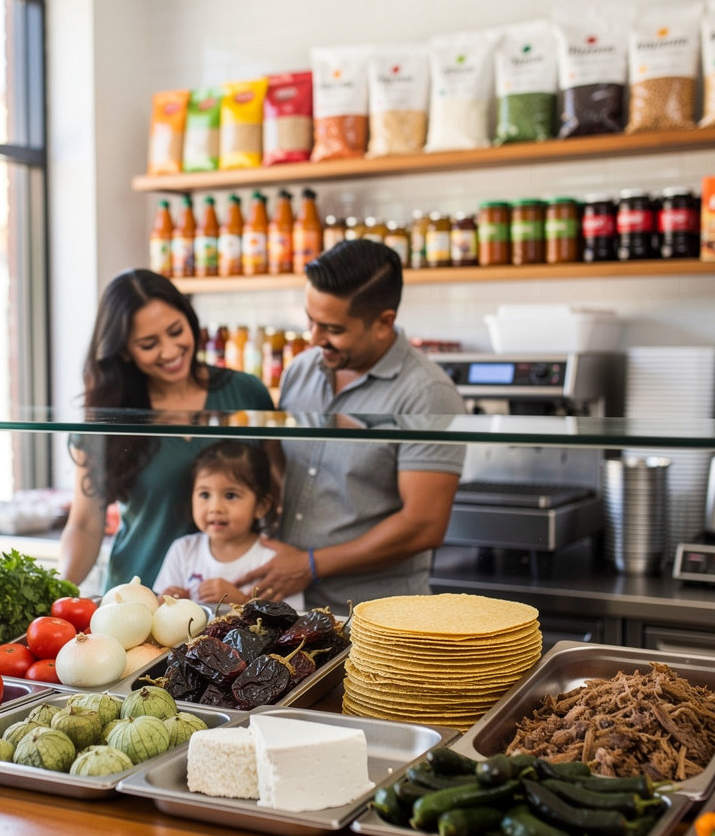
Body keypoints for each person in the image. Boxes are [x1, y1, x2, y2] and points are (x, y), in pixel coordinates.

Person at [236, 238, 466, 610]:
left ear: (383, 323)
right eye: (310, 320)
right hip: (291, 604)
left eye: (332, 329)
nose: (314, 338)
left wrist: (310, 565)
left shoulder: (428, 393)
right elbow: (283, 463)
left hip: (379, 614)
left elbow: (424, 524)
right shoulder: (301, 369)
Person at [58, 269, 274, 593]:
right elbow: (86, 523)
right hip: (135, 600)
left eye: (176, 331)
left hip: (231, 604)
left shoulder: (247, 393)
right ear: (124, 351)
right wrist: (58, 593)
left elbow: (278, 496)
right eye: (149, 344)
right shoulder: (108, 416)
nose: (170, 350)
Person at [153, 439, 303, 609]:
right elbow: (160, 613)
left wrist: (240, 602)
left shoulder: (273, 561)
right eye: (204, 495)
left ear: (261, 506)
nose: (215, 508)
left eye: (230, 495)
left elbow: (291, 622)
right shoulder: (183, 550)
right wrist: (168, 602)